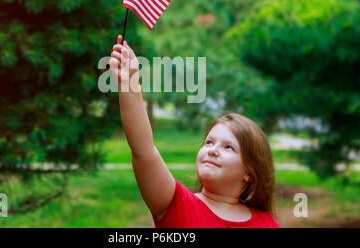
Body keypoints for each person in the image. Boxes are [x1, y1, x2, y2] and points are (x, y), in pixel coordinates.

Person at [109, 35, 280, 228]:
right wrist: (129, 82)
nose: (213, 150)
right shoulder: (178, 205)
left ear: (249, 172)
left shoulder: (268, 224)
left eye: (229, 147)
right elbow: (143, 150)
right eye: (209, 142)